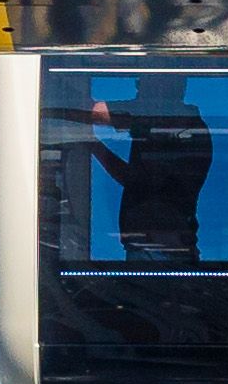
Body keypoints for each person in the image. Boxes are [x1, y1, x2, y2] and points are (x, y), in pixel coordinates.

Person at [89, 77, 213, 266]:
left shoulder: (172, 121)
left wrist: (91, 143)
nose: (137, 85)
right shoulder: (180, 124)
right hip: (160, 247)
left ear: (163, 87)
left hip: (160, 251)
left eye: (144, 80)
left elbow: (95, 112)